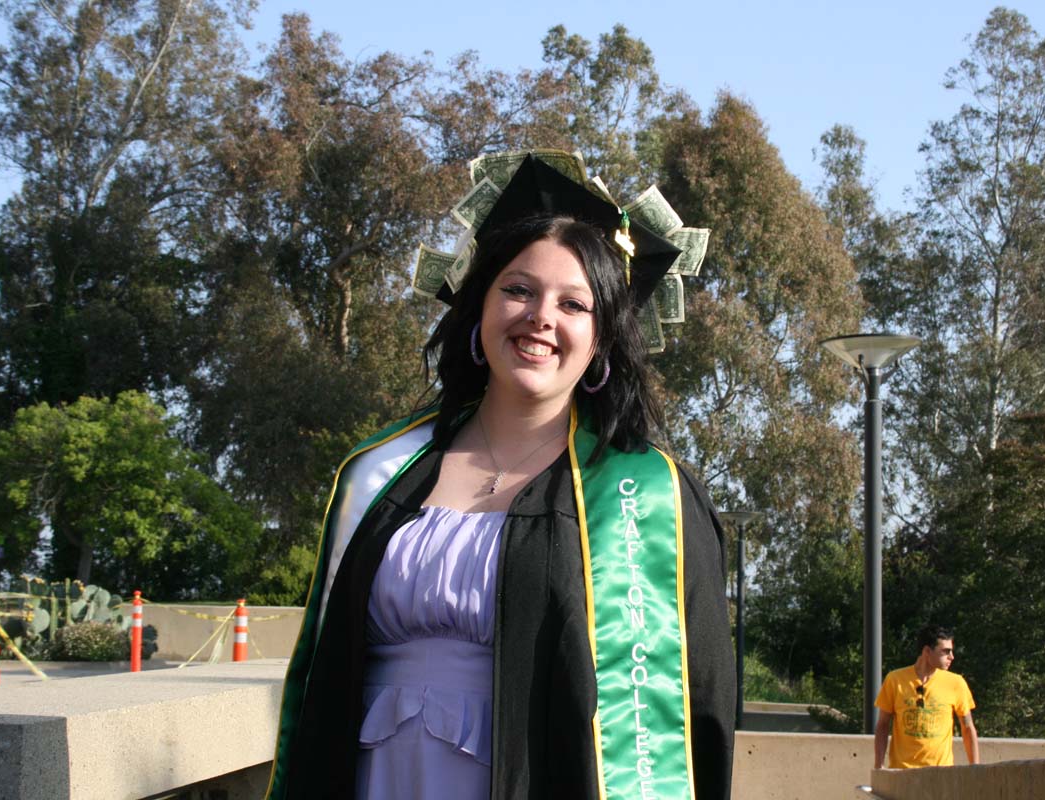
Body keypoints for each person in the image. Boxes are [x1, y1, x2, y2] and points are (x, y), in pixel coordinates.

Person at [265, 153, 736, 800]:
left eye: (574, 303)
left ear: (601, 340)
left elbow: (697, 702)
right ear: (478, 306)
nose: (540, 316)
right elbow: (325, 675)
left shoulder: (645, 497)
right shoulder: (380, 475)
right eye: (518, 289)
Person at [874, 624, 980, 769]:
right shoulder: (895, 680)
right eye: (945, 651)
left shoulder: (956, 683)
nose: (952, 657)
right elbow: (882, 725)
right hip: (902, 772)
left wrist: (975, 768)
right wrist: (879, 765)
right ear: (927, 651)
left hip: (941, 773)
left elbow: (967, 727)